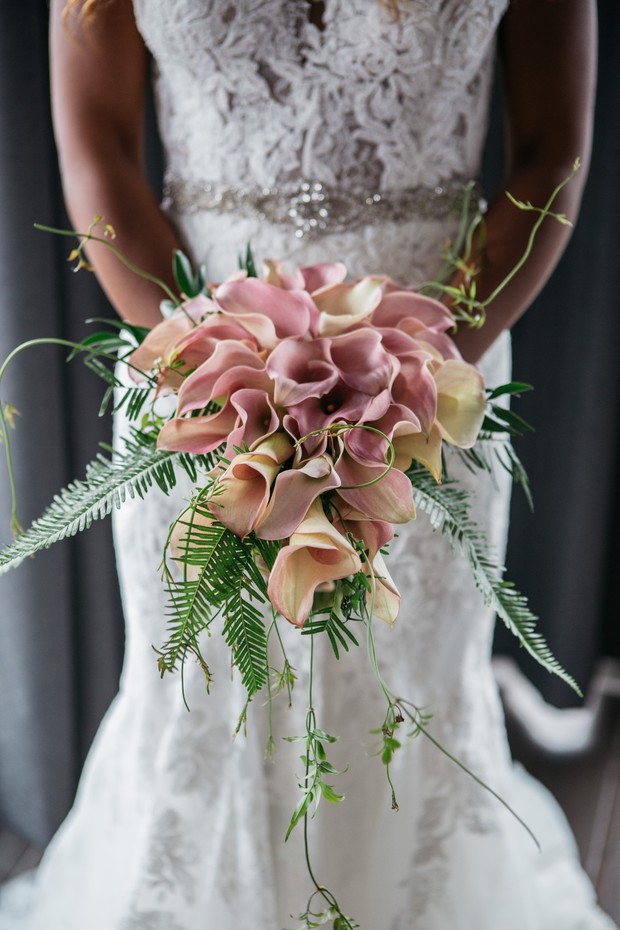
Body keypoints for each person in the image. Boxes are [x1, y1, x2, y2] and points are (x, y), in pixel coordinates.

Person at [0, 0, 610, 928]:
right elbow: (99, 147)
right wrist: (212, 370)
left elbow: (549, 157)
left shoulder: (432, 374)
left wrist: (422, 368)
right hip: (193, 375)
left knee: (407, 704)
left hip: (435, 381)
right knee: (200, 703)